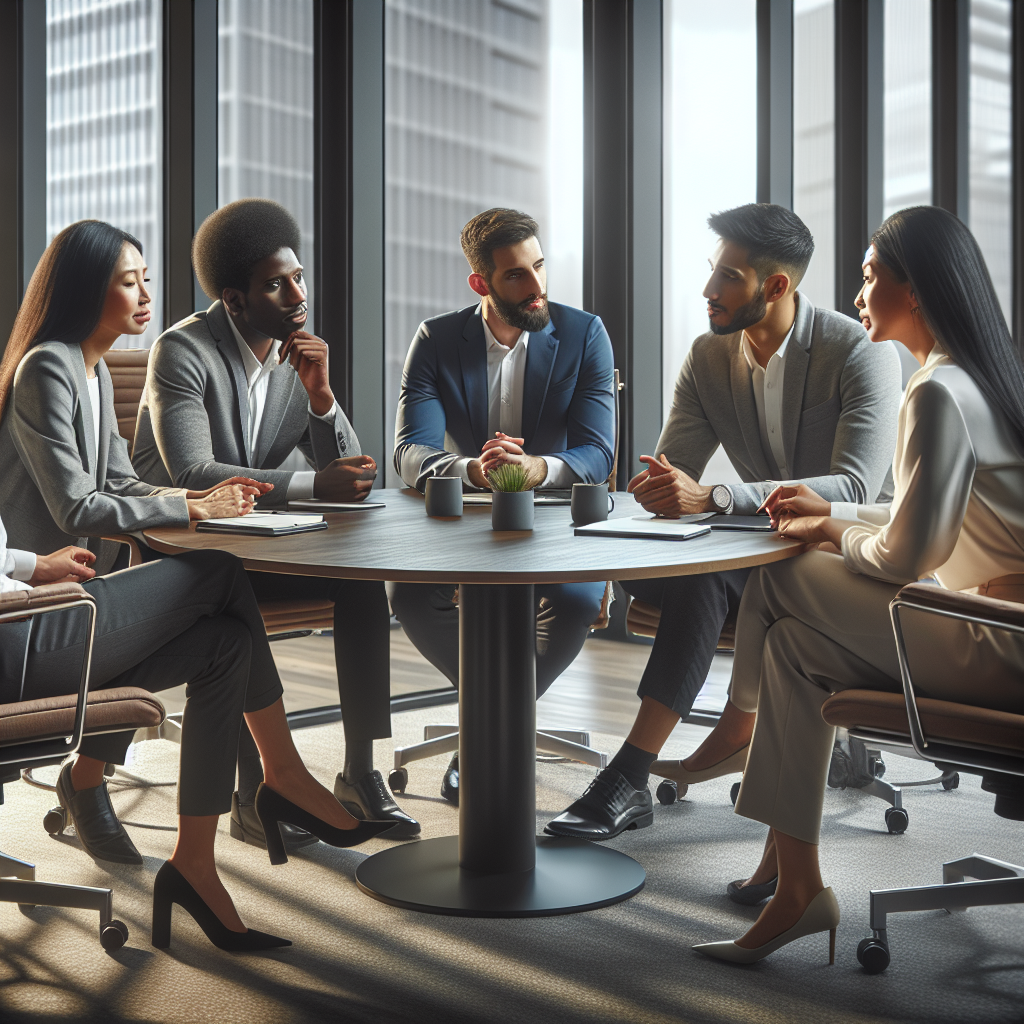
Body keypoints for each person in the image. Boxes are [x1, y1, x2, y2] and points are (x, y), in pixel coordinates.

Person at [0, 222, 391, 952]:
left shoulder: (88, 369)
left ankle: (195, 865)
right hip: (28, 632)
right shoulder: (47, 368)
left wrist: (208, 499)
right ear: (86, 290)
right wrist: (191, 502)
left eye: (147, 277)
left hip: (72, 619)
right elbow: (77, 508)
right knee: (217, 572)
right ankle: (282, 775)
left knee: (223, 645)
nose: (146, 293)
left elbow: (118, 483)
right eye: (128, 281)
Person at [693, 205, 1024, 964]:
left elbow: (908, 555)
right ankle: (797, 888)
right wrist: (834, 509)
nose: (856, 295)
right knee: (797, 650)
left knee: (783, 577)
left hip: (999, 647)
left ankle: (737, 727)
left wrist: (830, 531)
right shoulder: (978, 381)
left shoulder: (938, 393)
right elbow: (930, 511)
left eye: (872, 277)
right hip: (1002, 631)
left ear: (918, 290)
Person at [546, 203, 903, 842]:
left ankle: (627, 777)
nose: (708, 291)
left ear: (775, 287)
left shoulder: (858, 353)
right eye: (712, 272)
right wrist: (657, 492)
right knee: (683, 568)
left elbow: (853, 485)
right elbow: (671, 469)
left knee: (702, 575)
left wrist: (713, 498)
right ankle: (712, 737)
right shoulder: (709, 357)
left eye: (727, 278)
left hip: (840, 549)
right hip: (756, 545)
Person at [131, 199, 417, 840]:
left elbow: (353, 476)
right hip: (182, 550)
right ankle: (250, 793)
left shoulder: (297, 357)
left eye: (298, 277)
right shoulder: (183, 352)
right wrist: (314, 482)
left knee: (361, 578)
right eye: (275, 284)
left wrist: (322, 396)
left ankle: (361, 773)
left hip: (255, 542)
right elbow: (192, 474)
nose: (296, 294)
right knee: (226, 599)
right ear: (234, 299)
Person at [390, 207, 615, 803]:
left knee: (572, 601)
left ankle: (480, 735)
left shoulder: (584, 332)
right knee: (409, 594)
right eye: (517, 275)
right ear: (481, 283)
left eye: (540, 266)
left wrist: (537, 470)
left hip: (554, 524)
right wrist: (474, 470)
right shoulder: (437, 341)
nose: (537, 286)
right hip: (464, 523)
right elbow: (410, 452)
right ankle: (496, 718)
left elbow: (598, 452)